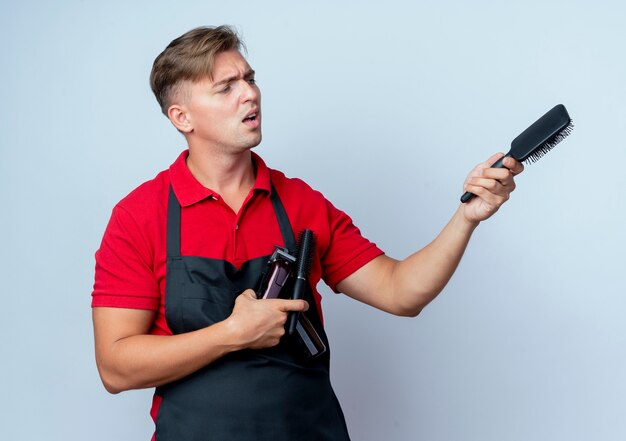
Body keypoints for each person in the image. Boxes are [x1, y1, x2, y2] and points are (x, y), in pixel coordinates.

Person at [91, 25, 524, 441]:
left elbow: (400, 292)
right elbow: (115, 367)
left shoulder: (300, 204)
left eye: (250, 78)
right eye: (226, 87)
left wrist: (467, 217)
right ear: (181, 117)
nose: (250, 93)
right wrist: (231, 333)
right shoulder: (140, 216)